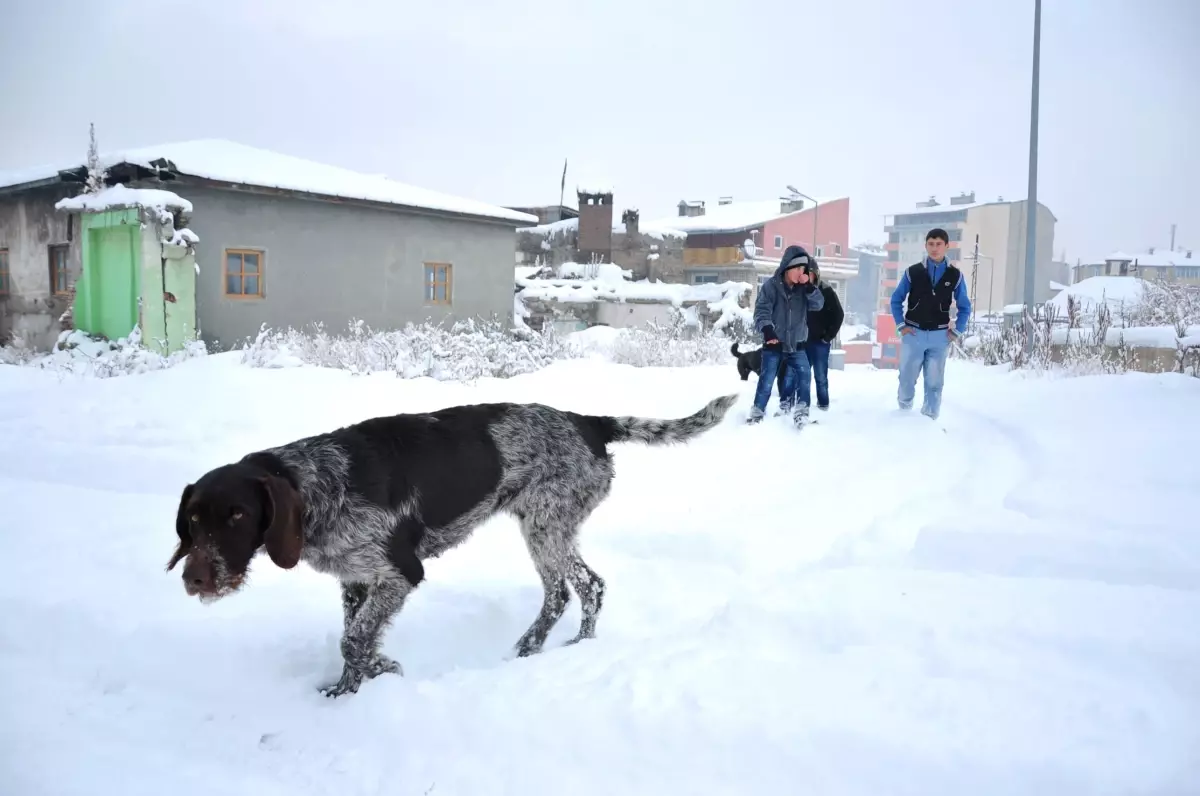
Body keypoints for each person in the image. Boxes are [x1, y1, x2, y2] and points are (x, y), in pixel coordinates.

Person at [889, 227, 971, 420]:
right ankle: (903, 415)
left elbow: (965, 307)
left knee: (934, 382)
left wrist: (957, 331)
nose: (935, 248)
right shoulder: (913, 272)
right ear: (926, 246)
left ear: (947, 246)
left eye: (939, 244)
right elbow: (896, 300)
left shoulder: (955, 276)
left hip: (939, 338)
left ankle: (929, 421)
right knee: (907, 380)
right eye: (931, 244)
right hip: (913, 335)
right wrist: (901, 326)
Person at [749, 245, 825, 425]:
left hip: (797, 345)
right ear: (788, 267)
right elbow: (761, 311)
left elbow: (819, 304)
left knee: (805, 376)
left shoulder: (803, 289)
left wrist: (809, 288)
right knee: (766, 380)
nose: (801, 273)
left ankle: (802, 412)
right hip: (774, 344)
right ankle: (757, 413)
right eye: (798, 268)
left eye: (803, 269)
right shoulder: (771, 287)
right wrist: (768, 330)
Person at [801, 262, 844, 412]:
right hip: (802, 342)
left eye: (810, 273)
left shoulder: (826, 291)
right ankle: (802, 405)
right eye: (804, 273)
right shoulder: (799, 292)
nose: (807, 276)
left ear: (816, 274)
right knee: (802, 377)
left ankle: (823, 406)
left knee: (820, 377)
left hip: (820, 343)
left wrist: (827, 336)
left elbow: (839, 315)